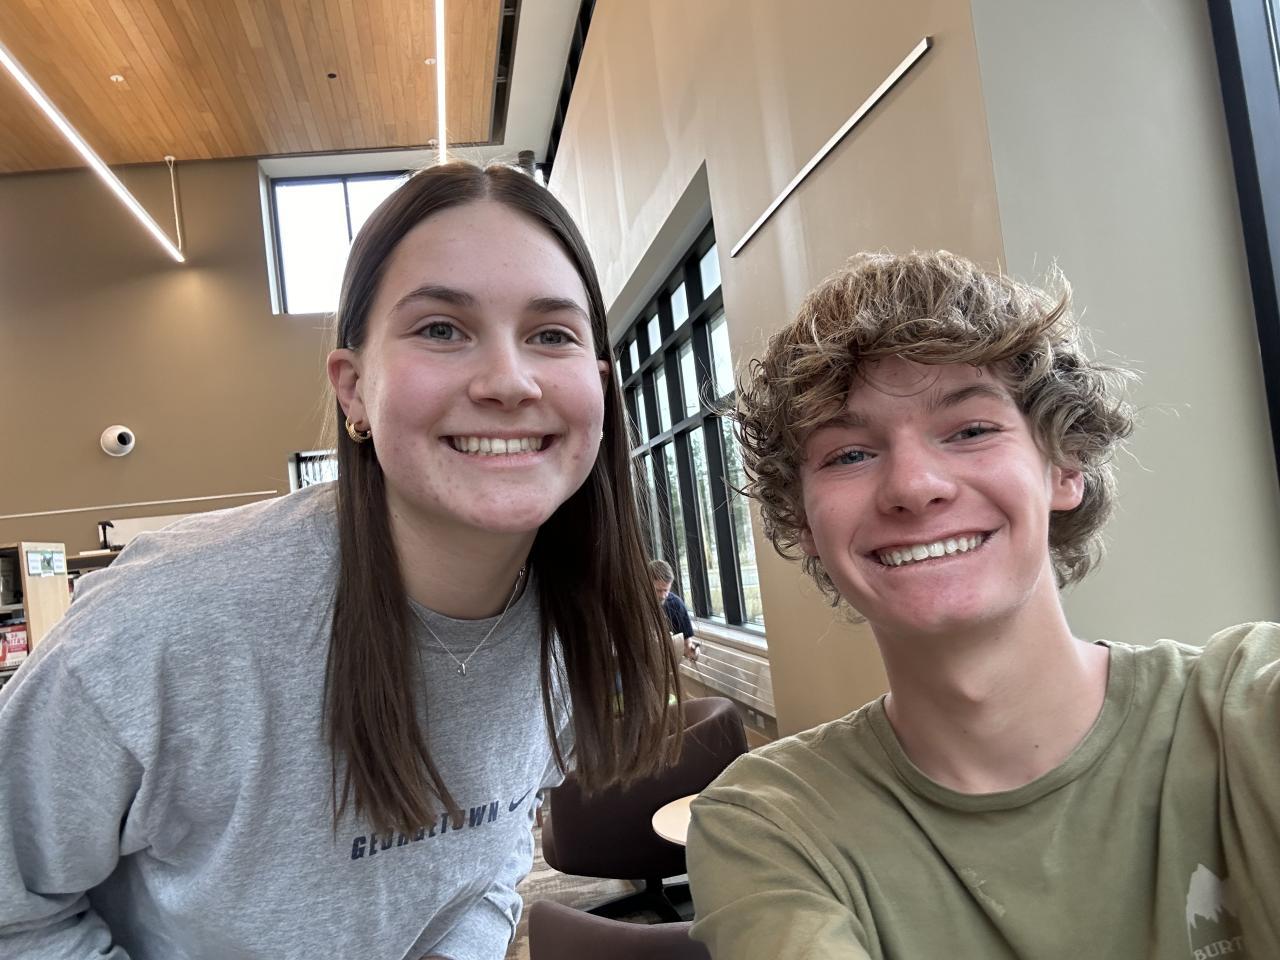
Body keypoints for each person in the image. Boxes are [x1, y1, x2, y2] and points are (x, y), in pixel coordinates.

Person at [0, 161, 683, 960]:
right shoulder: (158, 623)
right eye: (441, 329)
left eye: (552, 335)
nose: (509, 380)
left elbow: (488, 860)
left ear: (598, 388)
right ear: (354, 389)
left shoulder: (575, 620)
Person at [686, 251, 1280, 959]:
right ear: (804, 521)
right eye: (848, 455)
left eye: (970, 430)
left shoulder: (1246, 711)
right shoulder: (769, 824)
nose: (914, 486)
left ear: (1064, 467)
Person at [650, 559, 697, 661]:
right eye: (658, 590)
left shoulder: (676, 604)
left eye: (666, 590)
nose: (663, 596)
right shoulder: (636, 604)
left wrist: (691, 650)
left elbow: (687, 643)